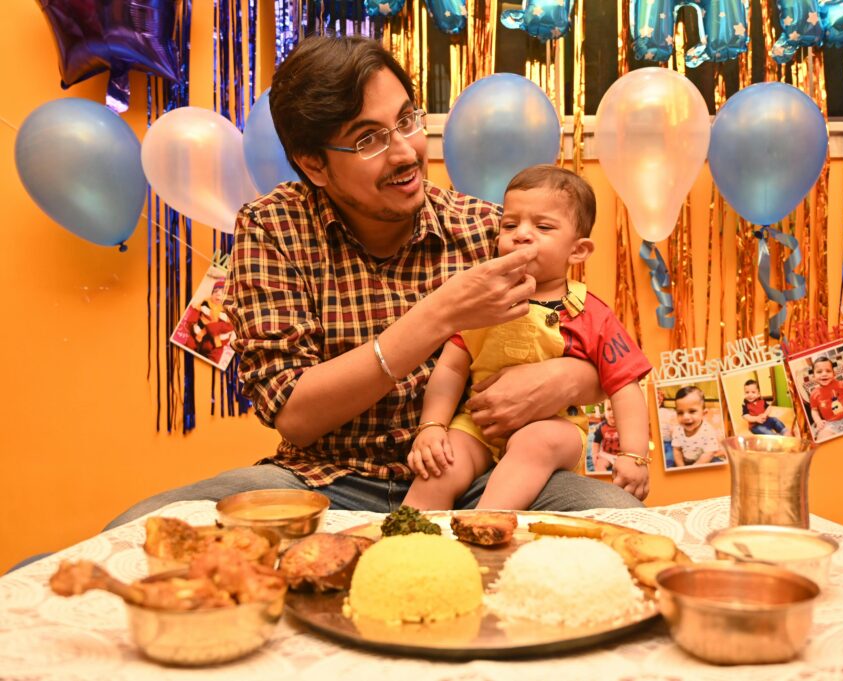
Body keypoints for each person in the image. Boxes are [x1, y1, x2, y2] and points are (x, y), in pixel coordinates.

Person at [105, 36, 643, 528]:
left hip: (477, 471)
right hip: (323, 478)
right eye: (368, 140)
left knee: (623, 522)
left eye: (406, 119)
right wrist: (440, 313)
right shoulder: (273, 228)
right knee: (144, 523)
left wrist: (573, 378)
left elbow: (590, 338)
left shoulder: (485, 228)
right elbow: (294, 414)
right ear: (314, 165)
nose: (406, 152)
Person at [402, 166, 651, 509]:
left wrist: (634, 454)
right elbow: (451, 369)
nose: (521, 235)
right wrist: (432, 426)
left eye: (543, 227)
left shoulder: (590, 313)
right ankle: (405, 534)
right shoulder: (482, 300)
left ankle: (485, 523)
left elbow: (625, 386)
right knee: (442, 464)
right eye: (510, 225)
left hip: (557, 429)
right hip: (478, 426)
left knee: (536, 440)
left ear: (578, 250)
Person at [671, 386, 725, 466]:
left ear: (704, 414)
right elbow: (677, 450)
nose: (685, 417)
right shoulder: (678, 430)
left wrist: (693, 469)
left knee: (717, 462)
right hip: (685, 460)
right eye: (680, 413)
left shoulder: (708, 431)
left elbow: (709, 453)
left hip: (705, 460)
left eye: (692, 411)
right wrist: (681, 467)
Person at [192, 279, 234, 363]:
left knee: (214, 359)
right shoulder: (206, 304)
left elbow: (231, 326)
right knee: (191, 346)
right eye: (215, 291)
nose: (218, 294)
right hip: (201, 337)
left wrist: (213, 327)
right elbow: (196, 312)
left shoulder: (228, 312)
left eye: (222, 292)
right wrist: (193, 321)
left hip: (218, 343)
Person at [591, 400, 621, 474]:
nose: (612, 412)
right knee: (598, 463)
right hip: (606, 455)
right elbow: (596, 442)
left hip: (621, 456)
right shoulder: (602, 427)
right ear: (604, 412)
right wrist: (595, 454)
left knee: (628, 467)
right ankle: (602, 479)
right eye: (609, 409)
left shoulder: (624, 426)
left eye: (616, 409)